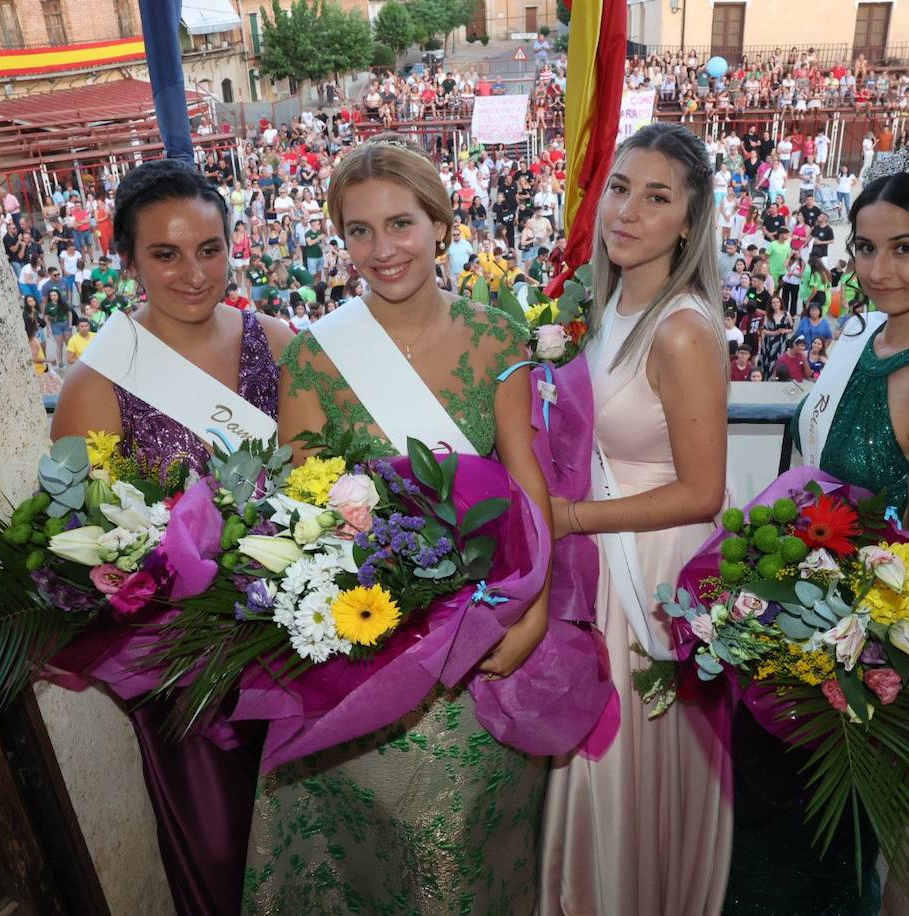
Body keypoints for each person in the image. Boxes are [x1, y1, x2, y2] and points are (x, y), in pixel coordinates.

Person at [245, 134, 554, 914]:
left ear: (441, 224)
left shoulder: (497, 339)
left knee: (463, 855)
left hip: (477, 636)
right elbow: (300, 501)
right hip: (362, 643)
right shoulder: (317, 354)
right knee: (366, 860)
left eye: (401, 224)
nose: (382, 249)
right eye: (358, 230)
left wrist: (537, 604)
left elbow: (526, 481)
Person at [732, 150, 909, 915]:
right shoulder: (862, 339)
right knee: (760, 842)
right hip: (794, 625)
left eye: (904, 248)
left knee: (819, 857)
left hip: (850, 657)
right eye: (867, 247)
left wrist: (837, 654)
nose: (879, 270)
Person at [50, 159, 291, 916]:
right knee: (223, 856)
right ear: (126, 261)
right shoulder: (95, 386)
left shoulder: (281, 345)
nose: (195, 273)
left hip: (295, 647)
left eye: (211, 249)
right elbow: (73, 537)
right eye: (166, 253)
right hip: (187, 677)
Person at [542, 121, 732, 916]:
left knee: (620, 753)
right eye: (620, 188)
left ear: (689, 221)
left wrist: (573, 515)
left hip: (651, 567)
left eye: (656, 198)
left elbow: (703, 492)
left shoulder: (684, 331)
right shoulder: (604, 301)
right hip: (595, 544)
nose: (626, 211)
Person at [759, 294, 793, 378]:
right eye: (773, 302)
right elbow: (763, 330)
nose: (775, 304)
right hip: (770, 343)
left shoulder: (786, 314)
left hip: (782, 342)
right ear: (771, 305)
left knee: (780, 361)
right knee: (770, 361)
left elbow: (791, 329)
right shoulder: (768, 315)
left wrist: (784, 331)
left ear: (780, 303)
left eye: (777, 302)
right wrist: (775, 333)